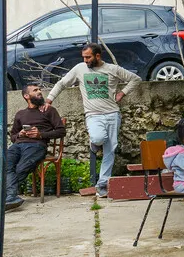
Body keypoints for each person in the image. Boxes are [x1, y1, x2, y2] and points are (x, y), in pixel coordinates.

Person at [46, 43, 141, 198]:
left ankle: (102, 185)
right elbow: (62, 83)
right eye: (83, 57)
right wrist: (49, 100)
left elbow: (135, 79)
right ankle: (94, 143)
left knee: (110, 151)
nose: (85, 60)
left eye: (88, 57)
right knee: (98, 137)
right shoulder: (79, 69)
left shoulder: (112, 69)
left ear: (98, 56)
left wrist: (122, 93)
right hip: (93, 115)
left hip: (112, 114)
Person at [0, 84, 65, 215]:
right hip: (18, 145)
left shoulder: (49, 110)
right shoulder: (20, 114)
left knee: (20, 168)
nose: (40, 92)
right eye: (35, 90)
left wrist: (40, 134)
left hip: (37, 146)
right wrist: (20, 134)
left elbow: (61, 131)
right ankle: (10, 197)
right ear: (26, 96)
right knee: (4, 163)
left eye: (39, 89)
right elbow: (13, 136)